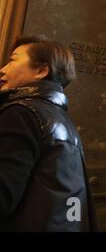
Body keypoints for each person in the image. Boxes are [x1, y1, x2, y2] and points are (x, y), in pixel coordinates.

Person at [0, 35, 94, 231]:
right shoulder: (62, 119)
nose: (3, 69)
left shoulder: (21, 113)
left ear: (42, 71)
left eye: (12, 60)